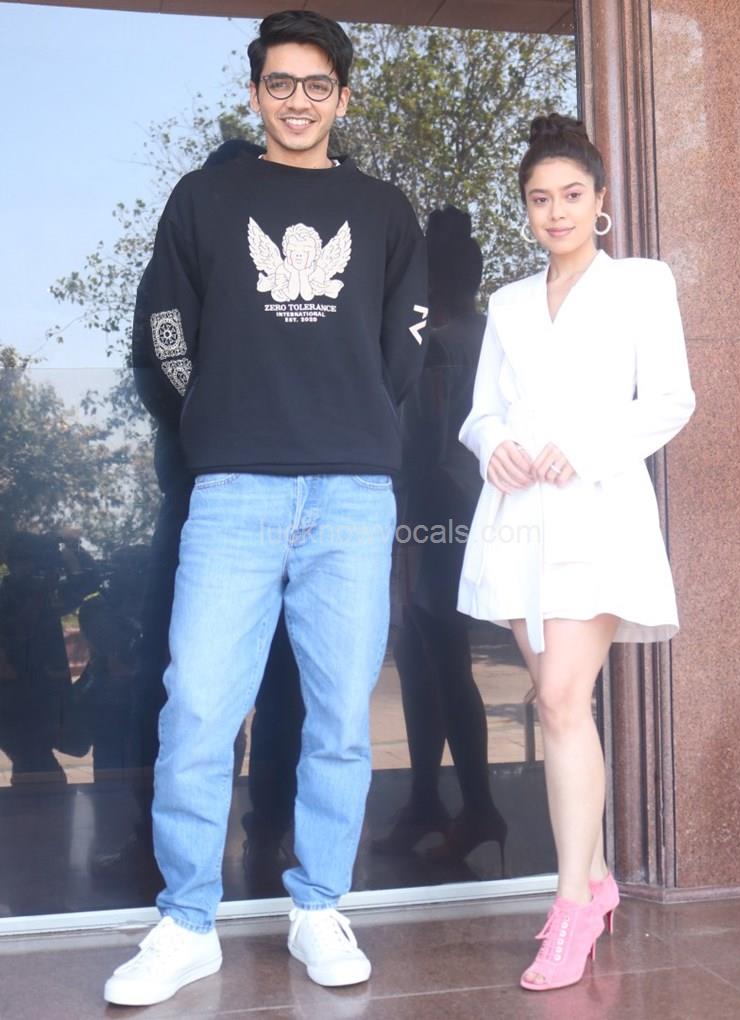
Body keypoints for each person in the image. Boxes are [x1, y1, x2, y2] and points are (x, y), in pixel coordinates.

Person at [104, 10, 427, 1007]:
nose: (297, 100)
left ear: (342, 97)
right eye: (279, 82)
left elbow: (404, 346)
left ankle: (319, 905)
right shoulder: (206, 198)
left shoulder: (384, 210)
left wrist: (353, 416)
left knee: (339, 720)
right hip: (234, 490)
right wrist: (212, 414)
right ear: (255, 92)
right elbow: (162, 329)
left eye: (316, 84)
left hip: (351, 495)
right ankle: (185, 922)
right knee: (200, 710)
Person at [457, 112, 695, 991]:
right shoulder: (510, 303)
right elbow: (481, 411)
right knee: (562, 707)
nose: (555, 212)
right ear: (525, 209)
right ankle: (594, 880)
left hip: (596, 513)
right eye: (539, 199)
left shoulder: (641, 283)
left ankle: (571, 909)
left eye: (570, 195)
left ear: (601, 201)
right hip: (519, 518)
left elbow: (670, 400)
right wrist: (494, 446)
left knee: (559, 697)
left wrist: (583, 448)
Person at [375, 207, 506, 870]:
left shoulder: (441, 347)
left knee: (439, 661)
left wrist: (407, 532)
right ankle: (429, 798)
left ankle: (475, 805)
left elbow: (422, 450)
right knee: (426, 660)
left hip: (438, 517)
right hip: (468, 513)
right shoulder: (488, 339)